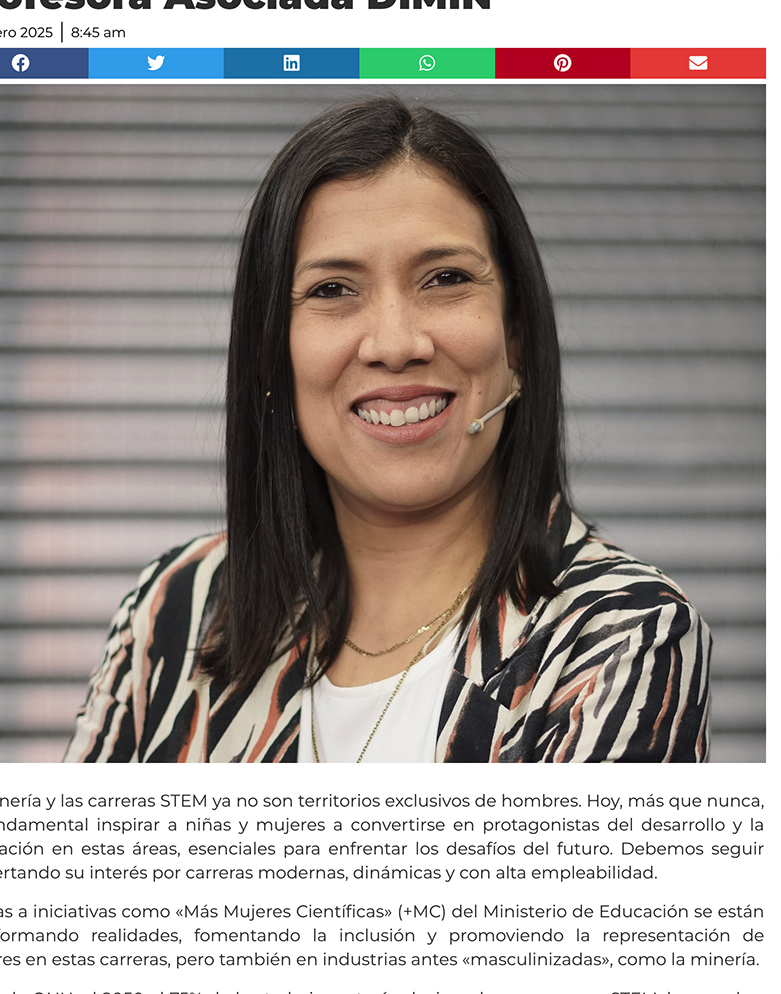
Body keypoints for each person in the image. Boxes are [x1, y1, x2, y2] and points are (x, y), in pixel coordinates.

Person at [64, 97, 710, 764]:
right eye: (333, 290)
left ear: (514, 332)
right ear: (270, 351)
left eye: (446, 279)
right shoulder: (177, 608)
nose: (396, 344)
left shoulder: (623, 636)